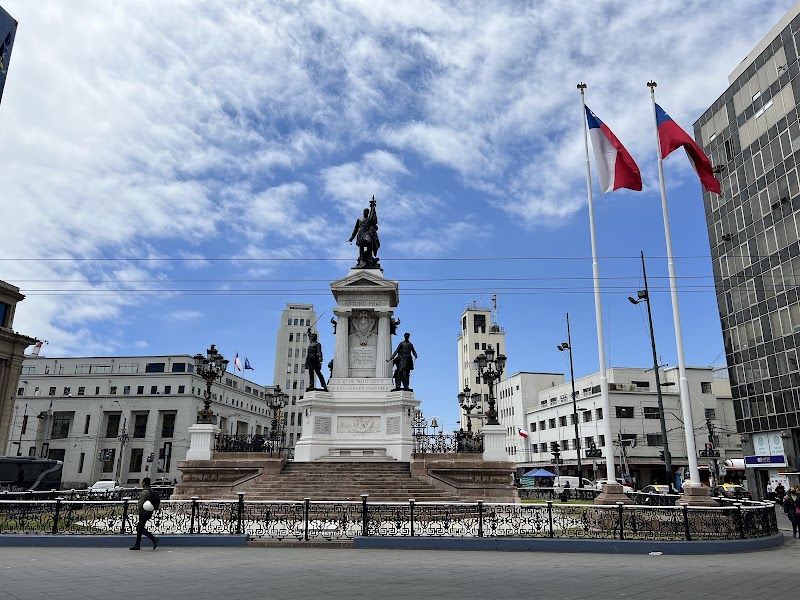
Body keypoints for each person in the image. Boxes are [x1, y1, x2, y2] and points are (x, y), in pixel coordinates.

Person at [348, 196, 380, 268]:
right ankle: (362, 259)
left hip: (367, 233)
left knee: (369, 243)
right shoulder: (359, 219)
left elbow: (373, 219)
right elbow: (355, 229)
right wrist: (352, 237)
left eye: (366, 211)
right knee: (361, 246)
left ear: (368, 213)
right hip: (360, 233)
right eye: (364, 211)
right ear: (363, 212)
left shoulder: (369, 219)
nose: (365, 212)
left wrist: (372, 207)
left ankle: (368, 256)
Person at [130, 477, 159, 550]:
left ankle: (153, 539)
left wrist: (139, 512)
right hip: (149, 511)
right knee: (140, 528)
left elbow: (141, 503)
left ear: (144, 483)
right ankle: (137, 544)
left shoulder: (145, 492)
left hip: (143, 512)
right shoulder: (151, 490)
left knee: (139, 528)